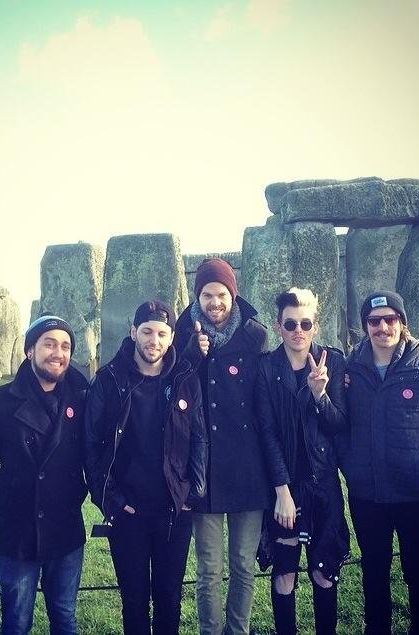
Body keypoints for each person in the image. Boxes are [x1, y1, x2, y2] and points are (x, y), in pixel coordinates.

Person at [341, 291, 419, 634]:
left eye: (390, 319)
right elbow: (339, 422)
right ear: (365, 326)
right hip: (368, 495)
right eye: (374, 321)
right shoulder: (350, 370)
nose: (382, 327)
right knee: (374, 572)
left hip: (416, 495)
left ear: (402, 322)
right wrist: (351, 466)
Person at [85, 299, 208, 634]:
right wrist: (110, 498)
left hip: (174, 508)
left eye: (162, 334)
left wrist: (193, 492)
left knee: (169, 598)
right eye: (147, 332)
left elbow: (199, 438)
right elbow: (91, 447)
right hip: (128, 510)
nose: (154, 340)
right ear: (133, 332)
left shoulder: (185, 378)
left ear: (171, 338)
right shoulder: (109, 379)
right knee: (134, 601)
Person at [0, 315, 89, 635]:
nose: (58, 353)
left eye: (65, 346)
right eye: (49, 344)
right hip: (19, 529)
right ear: (29, 351)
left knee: (64, 616)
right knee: (16, 621)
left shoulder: (81, 399)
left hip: (65, 527)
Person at [173, 258, 270, 635]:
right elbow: (172, 388)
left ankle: (238, 630)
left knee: (244, 565)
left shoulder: (255, 336)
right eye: (207, 295)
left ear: (233, 295)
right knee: (209, 568)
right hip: (205, 467)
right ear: (198, 297)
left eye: (222, 294)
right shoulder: (183, 333)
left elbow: (266, 397)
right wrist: (191, 354)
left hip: (248, 466)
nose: (215, 302)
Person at [256, 288, 349, 635]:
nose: (299, 330)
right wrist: (282, 491)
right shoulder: (266, 368)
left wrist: (319, 394)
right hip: (286, 483)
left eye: (305, 323)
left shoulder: (332, 362)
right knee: (285, 574)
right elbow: (267, 433)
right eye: (291, 323)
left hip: (323, 483)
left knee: (324, 572)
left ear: (315, 326)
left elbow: (339, 424)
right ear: (278, 326)